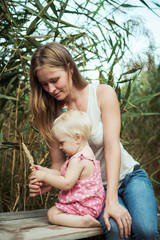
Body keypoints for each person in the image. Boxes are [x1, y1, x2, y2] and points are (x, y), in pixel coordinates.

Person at [29, 42, 159, 239]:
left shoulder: (102, 94)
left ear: (70, 69)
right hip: (93, 190)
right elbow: (59, 164)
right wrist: (46, 179)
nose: (51, 89)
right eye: (44, 84)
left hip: (129, 177)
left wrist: (113, 200)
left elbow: (112, 148)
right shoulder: (52, 116)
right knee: (116, 230)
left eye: (55, 80)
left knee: (146, 231)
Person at [29, 110, 105, 228]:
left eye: (62, 142)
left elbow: (66, 183)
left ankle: (84, 221)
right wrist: (44, 170)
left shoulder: (78, 160)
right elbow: (61, 173)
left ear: (77, 137)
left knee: (52, 214)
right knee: (54, 212)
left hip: (84, 205)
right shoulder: (82, 154)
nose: (60, 147)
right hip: (89, 203)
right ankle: (82, 219)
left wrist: (44, 177)